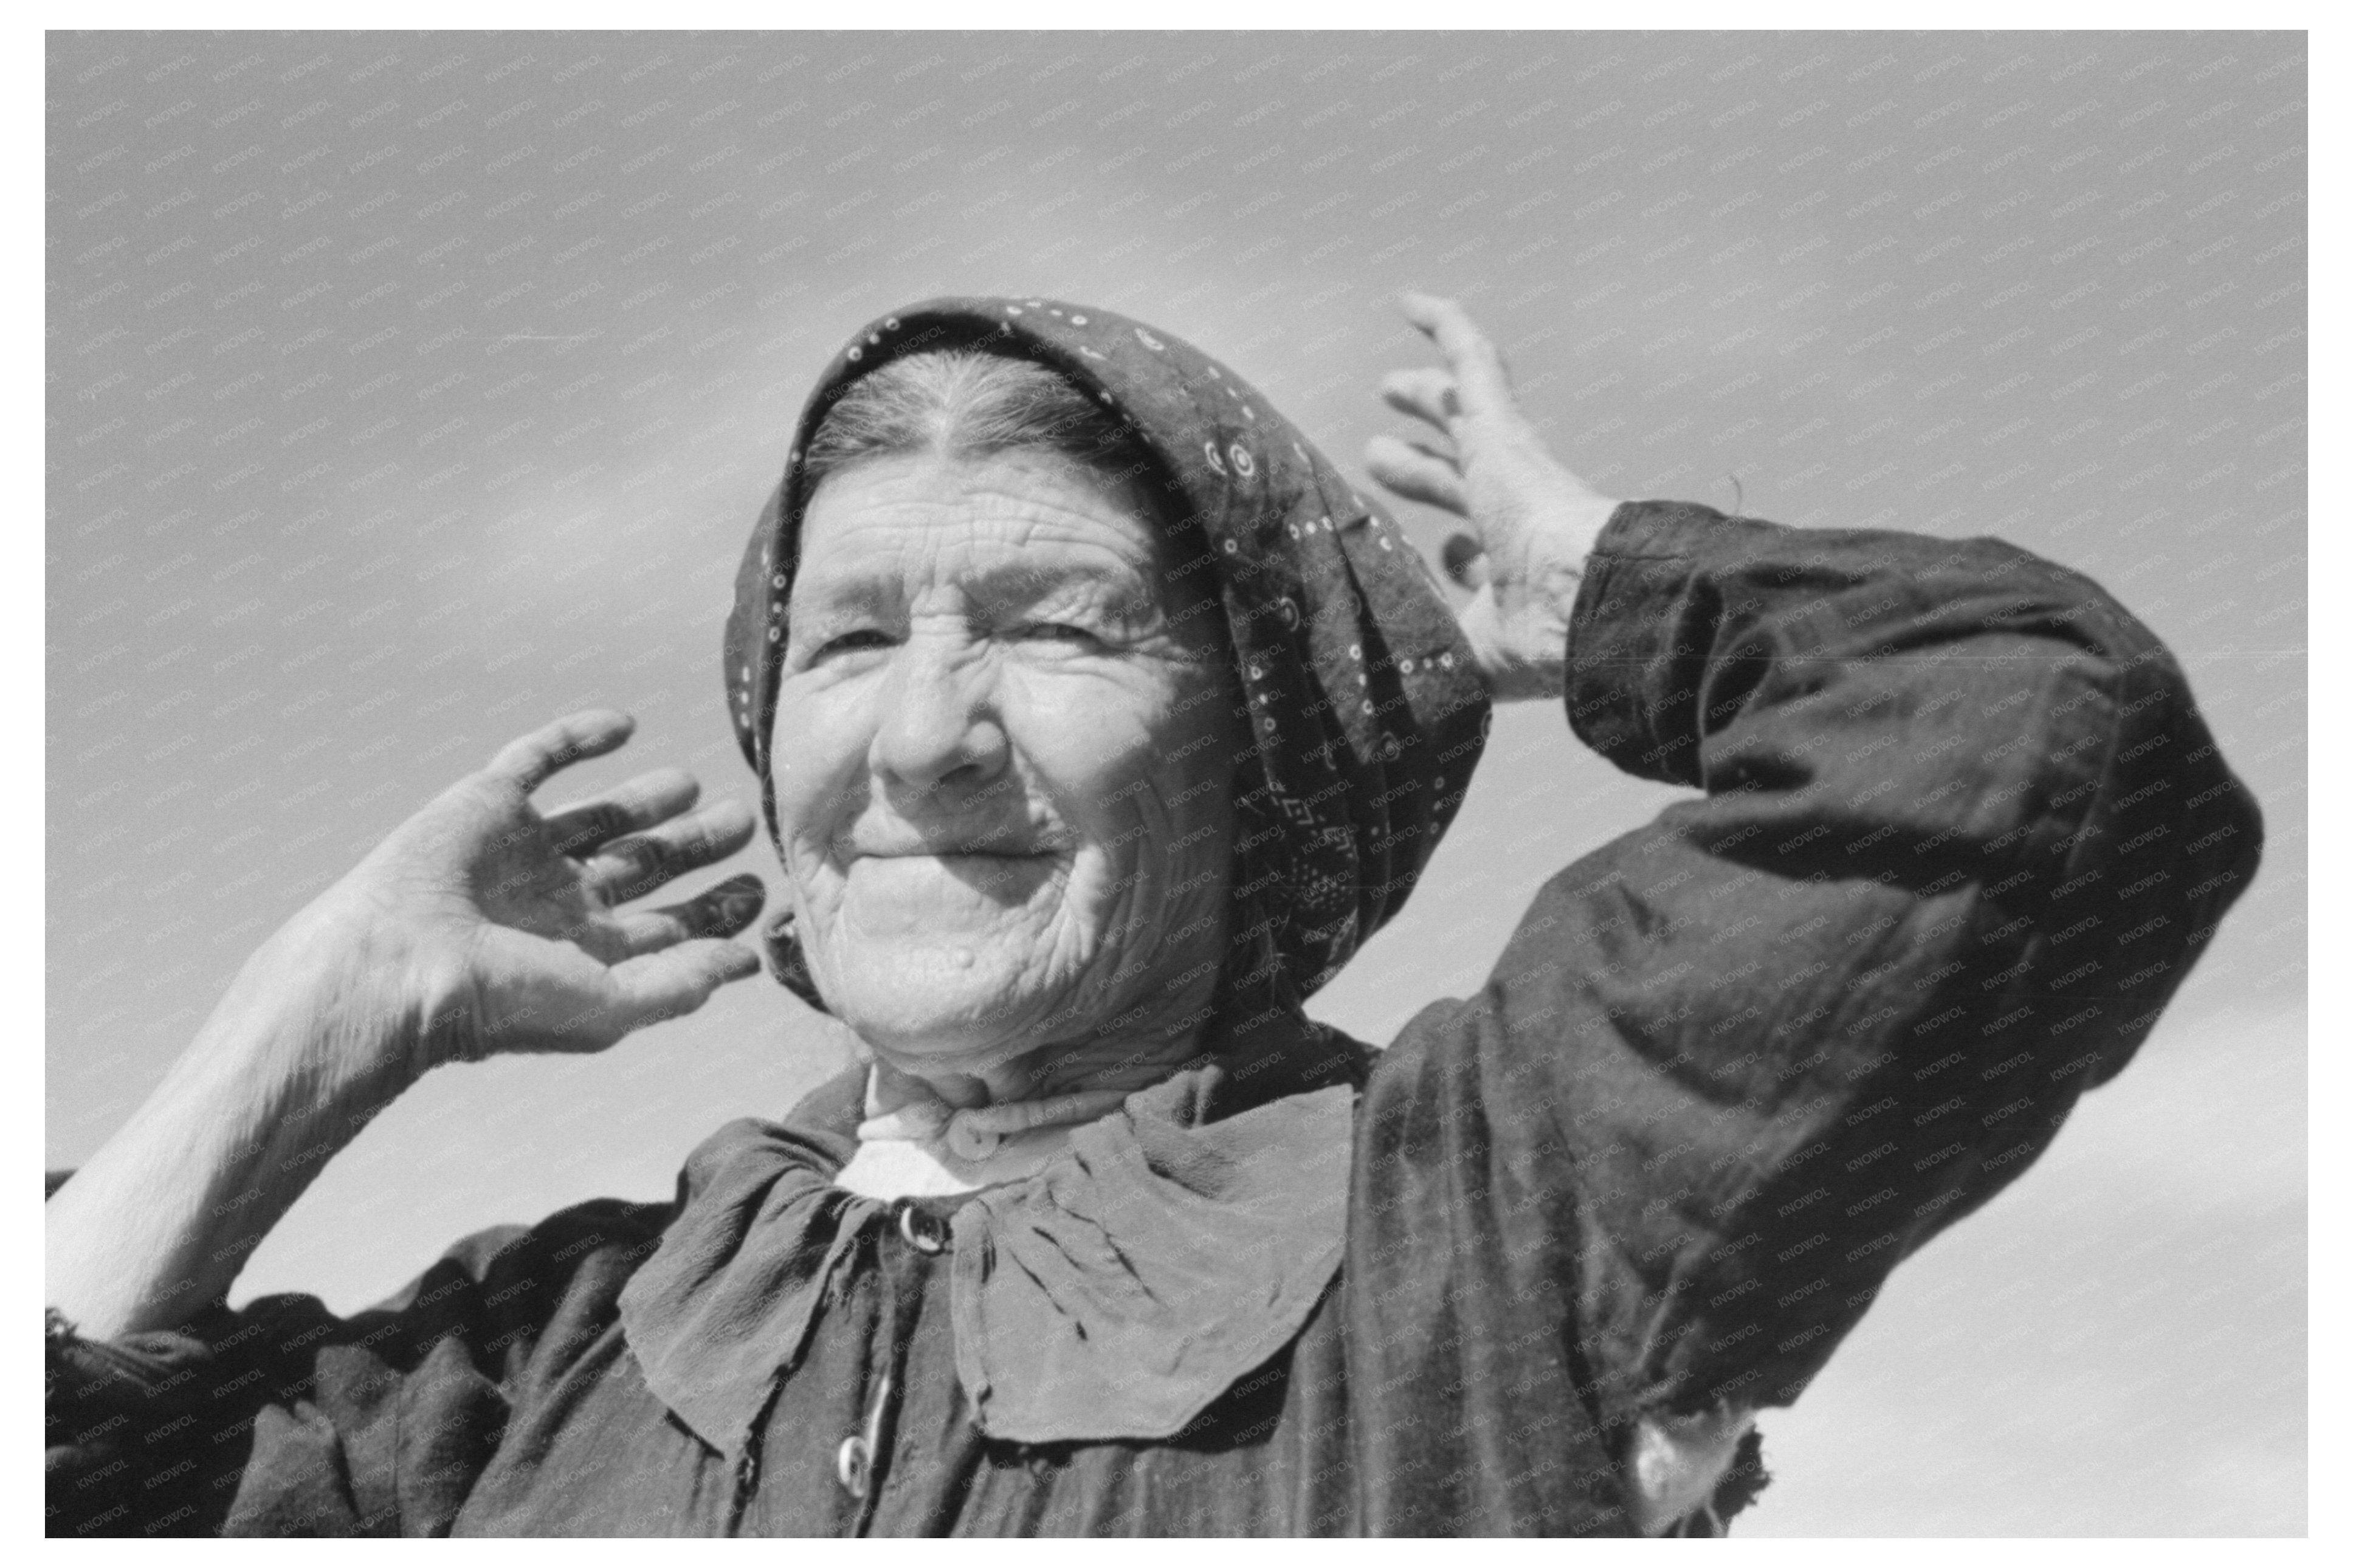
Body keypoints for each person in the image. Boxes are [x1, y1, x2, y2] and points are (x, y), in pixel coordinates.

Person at [46, 294, 2262, 1536]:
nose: (920, 739)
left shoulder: (1489, 1224)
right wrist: (312, 1014)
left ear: (1261, 736)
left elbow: (2047, 749)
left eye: (1055, 626)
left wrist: (1598, 586)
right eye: (844, 644)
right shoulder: (547, 1351)